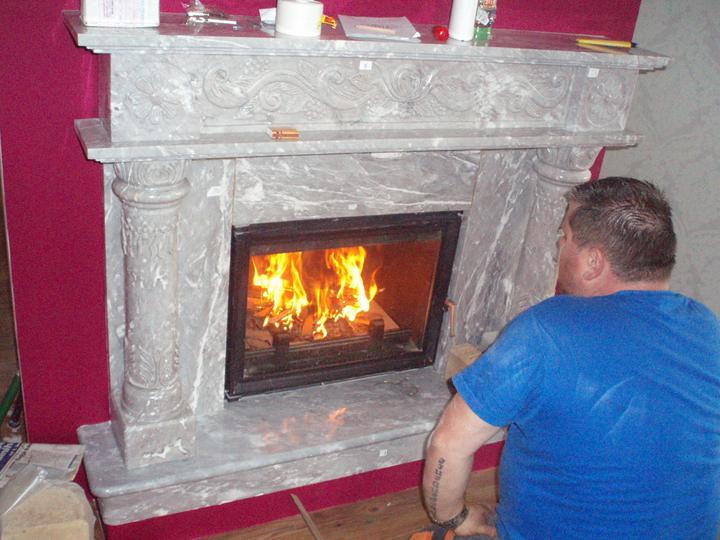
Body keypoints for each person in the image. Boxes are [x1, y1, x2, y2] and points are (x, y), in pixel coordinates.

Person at [421, 177, 720, 539]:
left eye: (564, 237)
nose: (558, 247)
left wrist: (454, 518)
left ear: (593, 262)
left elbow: (447, 444)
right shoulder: (706, 326)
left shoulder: (546, 330)